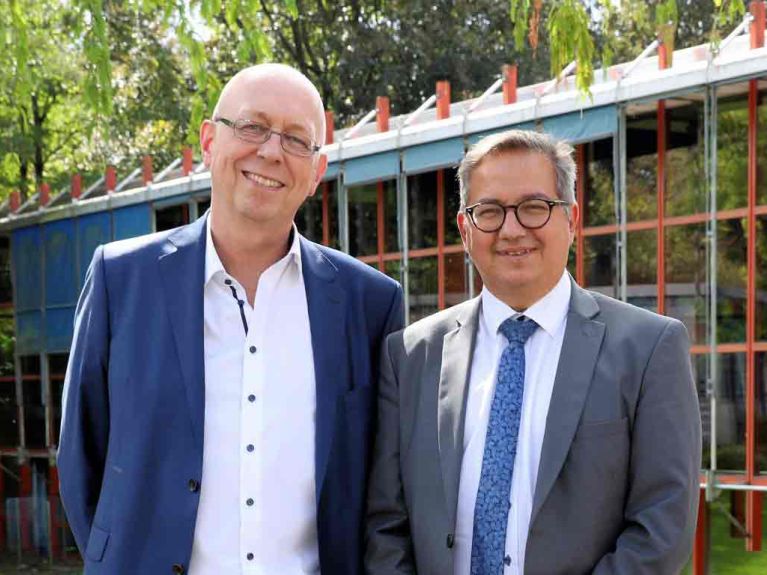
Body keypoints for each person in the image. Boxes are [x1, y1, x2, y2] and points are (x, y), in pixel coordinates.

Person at [58, 63, 403, 575]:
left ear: (316, 172)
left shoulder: (369, 303)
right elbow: (80, 457)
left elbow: (383, 485)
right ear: (209, 141)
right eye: (252, 127)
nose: (269, 151)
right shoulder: (122, 280)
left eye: (295, 139)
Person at [365, 129, 701, 575]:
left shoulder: (648, 348)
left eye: (533, 208)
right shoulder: (410, 356)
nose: (511, 228)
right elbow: (386, 525)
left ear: (571, 219)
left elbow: (663, 525)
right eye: (489, 211)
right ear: (466, 229)